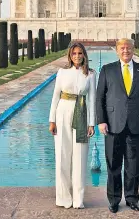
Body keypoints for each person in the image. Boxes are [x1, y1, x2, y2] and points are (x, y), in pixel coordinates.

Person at [96, 38, 139, 213]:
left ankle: (131, 198)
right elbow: (100, 98)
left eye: (128, 48)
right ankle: (114, 200)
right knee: (113, 164)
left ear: (133, 50)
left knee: (133, 164)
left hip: (135, 124)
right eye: (122, 48)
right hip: (113, 124)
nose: (125, 51)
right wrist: (101, 120)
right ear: (117, 50)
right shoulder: (107, 70)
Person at [49, 42, 96, 209]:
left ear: (84, 55)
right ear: (70, 55)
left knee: (80, 158)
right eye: (74, 53)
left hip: (81, 114)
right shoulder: (62, 72)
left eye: (80, 53)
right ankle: (63, 198)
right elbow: (55, 96)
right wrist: (52, 120)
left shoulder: (90, 74)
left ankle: (78, 200)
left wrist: (92, 123)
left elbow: (92, 100)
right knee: (62, 157)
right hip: (63, 113)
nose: (77, 56)